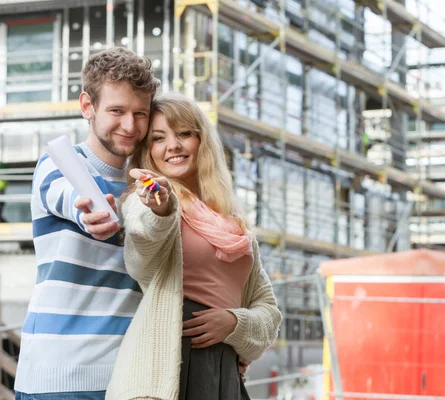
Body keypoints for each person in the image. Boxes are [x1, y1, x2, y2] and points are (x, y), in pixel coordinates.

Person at [106, 93, 282, 399]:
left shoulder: (233, 222)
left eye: (184, 133)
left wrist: (233, 323)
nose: (173, 145)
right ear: (148, 151)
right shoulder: (144, 202)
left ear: (203, 142)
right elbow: (141, 250)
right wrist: (160, 209)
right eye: (159, 138)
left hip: (222, 369)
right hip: (165, 369)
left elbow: (269, 314)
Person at [15, 47, 160, 400]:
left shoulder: (148, 184)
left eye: (140, 113)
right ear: (87, 106)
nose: (130, 125)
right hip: (59, 380)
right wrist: (88, 214)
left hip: (128, 378)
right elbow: (70, 198)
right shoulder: (59, 164)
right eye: (117, 110)